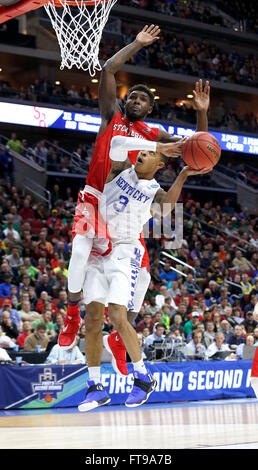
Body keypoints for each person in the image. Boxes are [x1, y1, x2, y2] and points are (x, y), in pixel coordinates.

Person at [58, 23, 210, 368]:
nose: (135, 100)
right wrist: (137, 44)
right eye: (133, 96)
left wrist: (201, 112)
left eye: (143, 98)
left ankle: (120, 334)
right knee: (80, 255)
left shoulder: (155, 133)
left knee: (135, 279)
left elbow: (197, 150)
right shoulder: (111, 116)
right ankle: (71, 312)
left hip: (126, 214)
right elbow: (108, 69)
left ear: (151, 109)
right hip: (94, 196)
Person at [79, 134, 210, 412]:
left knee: (116, 314)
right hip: (96, 247)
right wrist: (156, 145)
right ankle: (94, 386)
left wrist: (185, 173)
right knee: (92, 320)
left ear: (160, 164)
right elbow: (115, 142)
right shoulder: (119, 169)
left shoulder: (155, 192)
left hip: (124, 252)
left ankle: (142, 376)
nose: (143, 154)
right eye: (144, 151)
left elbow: (166, 211)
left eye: (150, 154)